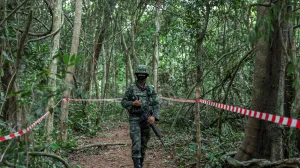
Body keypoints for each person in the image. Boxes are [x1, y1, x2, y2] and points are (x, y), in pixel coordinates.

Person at [121, 65, 159, 168]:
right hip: (135, 119)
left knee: (143, 144)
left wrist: (154, 117)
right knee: (136, 143)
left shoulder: (150, 89)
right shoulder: (131, 88)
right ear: (136, 75)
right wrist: (133, 103)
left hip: (147, 119)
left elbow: (156, 104)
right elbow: (123, 102)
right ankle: (137, 166)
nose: (141, 76)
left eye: (143, 75)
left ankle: (140, 163)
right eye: (139, 74)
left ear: (146, 75)